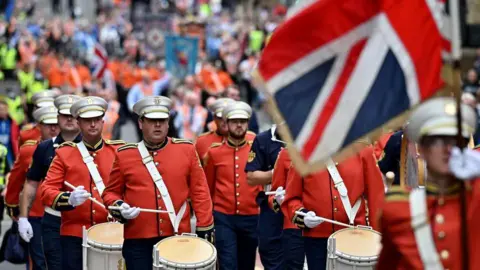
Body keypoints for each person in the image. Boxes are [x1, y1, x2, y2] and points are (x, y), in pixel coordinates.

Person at [102, 96, 214, 270]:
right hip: (138, 239)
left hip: (177, 236)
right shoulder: (125, 155)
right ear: (141, 123)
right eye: (152, 120)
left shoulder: (186, 150)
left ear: (168, 123)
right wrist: (120, 207)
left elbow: (200, 191)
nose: (157, 125)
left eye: (162, 120)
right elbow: (110, 193)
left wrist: (204, 225)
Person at [376, 97, 480, 269]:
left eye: (456, 141)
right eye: (439, 141)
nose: (449, 149)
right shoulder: (398, 206)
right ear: (422, 149)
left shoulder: (474, 199)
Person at [40, 96, 125, 270]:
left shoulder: (118, 151)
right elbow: (46, 190)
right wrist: (68, 199)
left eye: (96, 120)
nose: (92, 124)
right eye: (87, 120)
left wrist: (127, 207)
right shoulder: (64, 153)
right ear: (78, 123)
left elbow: (132, 186)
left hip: (112, 233)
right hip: (75, 235)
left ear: (103, 122)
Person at [282, 140, 384, 270]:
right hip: (317, 239)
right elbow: (291, 198)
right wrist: (303, 216)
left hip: (356, 236)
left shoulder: (363, 150)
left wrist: (379, 238)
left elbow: (376, 198)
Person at [24, 94, 81, 270]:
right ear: (58, 118)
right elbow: (31, 183)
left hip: (84, 220)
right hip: (54, 220)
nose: (70, 119)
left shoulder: (93, 147)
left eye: (73, 115)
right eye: (65, 115)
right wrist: (23, 217)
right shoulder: (44, 147)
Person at [203, 101, 260, 270]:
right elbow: (209, 186)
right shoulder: (214, 153)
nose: (239, 125)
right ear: (227, 124)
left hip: (251, 216)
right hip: (223, 217)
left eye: (242, 122)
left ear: (247, 124)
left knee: (247, 263)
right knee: (228, 263)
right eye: (235, 122)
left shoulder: (257, 151)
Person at [6, 106, 59, 270]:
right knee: (39, 261)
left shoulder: (73, 149)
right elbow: (16, 179)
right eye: (48, 125)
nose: (53, 129)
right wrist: (15, 208)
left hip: (64, 214)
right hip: (37, 213)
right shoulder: (29, 149)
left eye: (56, 124)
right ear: (39, 127)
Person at [244, 124, 285, 270]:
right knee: (268, 249)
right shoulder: (263, 139)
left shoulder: (307, 135)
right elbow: (251, 177)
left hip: (303, 203)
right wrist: (280, 171)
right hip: (272, 204)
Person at [269, 148, 305, 269]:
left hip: (324, 226)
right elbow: (273, 193)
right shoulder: (286, 153)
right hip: (293, 225)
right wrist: (278, 200)